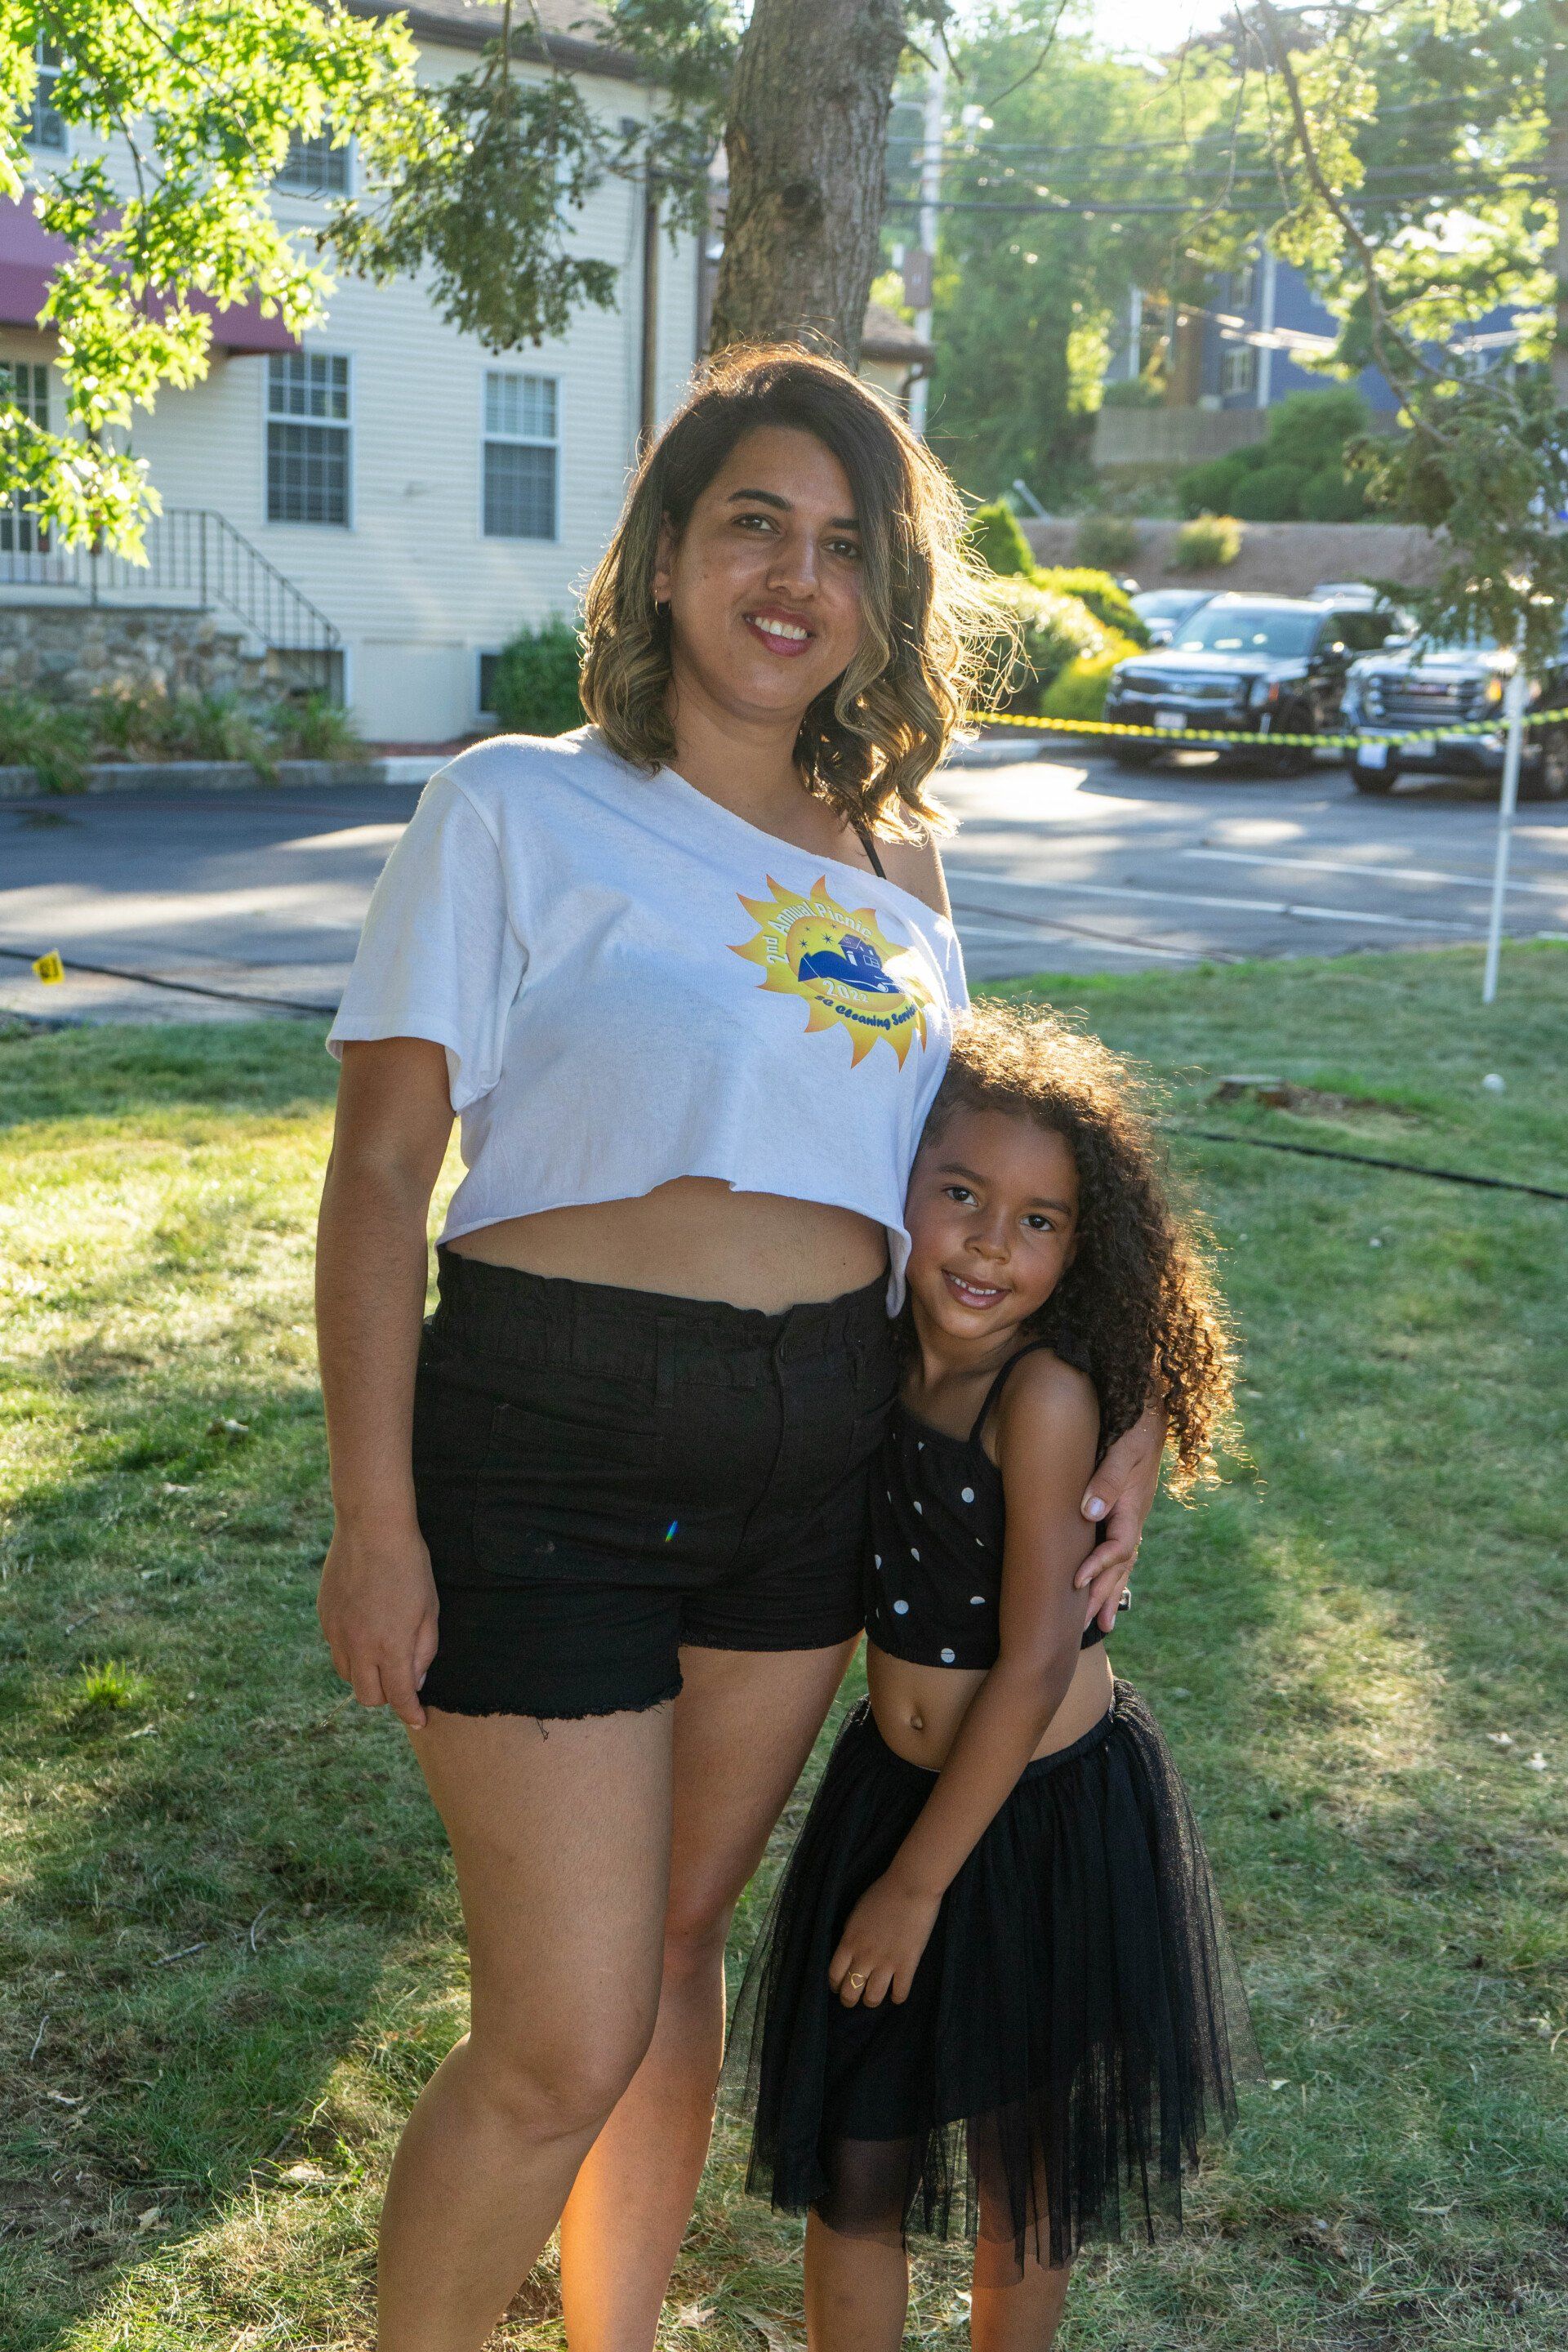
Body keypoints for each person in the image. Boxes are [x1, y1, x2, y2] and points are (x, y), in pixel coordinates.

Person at [313, 342, 1169, 2352]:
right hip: (545, 1435)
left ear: (887, 600)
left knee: (684, 1949)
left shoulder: (903, 865)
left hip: (817, 1454)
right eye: (753, 527)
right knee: (560, 2028)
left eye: (846, 547)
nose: (796, 579)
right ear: (669, 560)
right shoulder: (514, 806)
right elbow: (378, 1178)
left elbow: (1009, 1178)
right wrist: (374, 1514)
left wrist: (1127, 1413)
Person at [728, 1000, 1253, 2352]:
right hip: (894, 1793)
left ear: (1081, 1249)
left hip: (1036, 1826)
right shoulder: (866, 1353)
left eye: (1039, 1222)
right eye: (960, 1194)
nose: (989, 1243)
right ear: (896, 1179)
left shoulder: (1045, 1400)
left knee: (1028, 2182)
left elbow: (1030, 1667)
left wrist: (915, 1890)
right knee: (857, 2170)